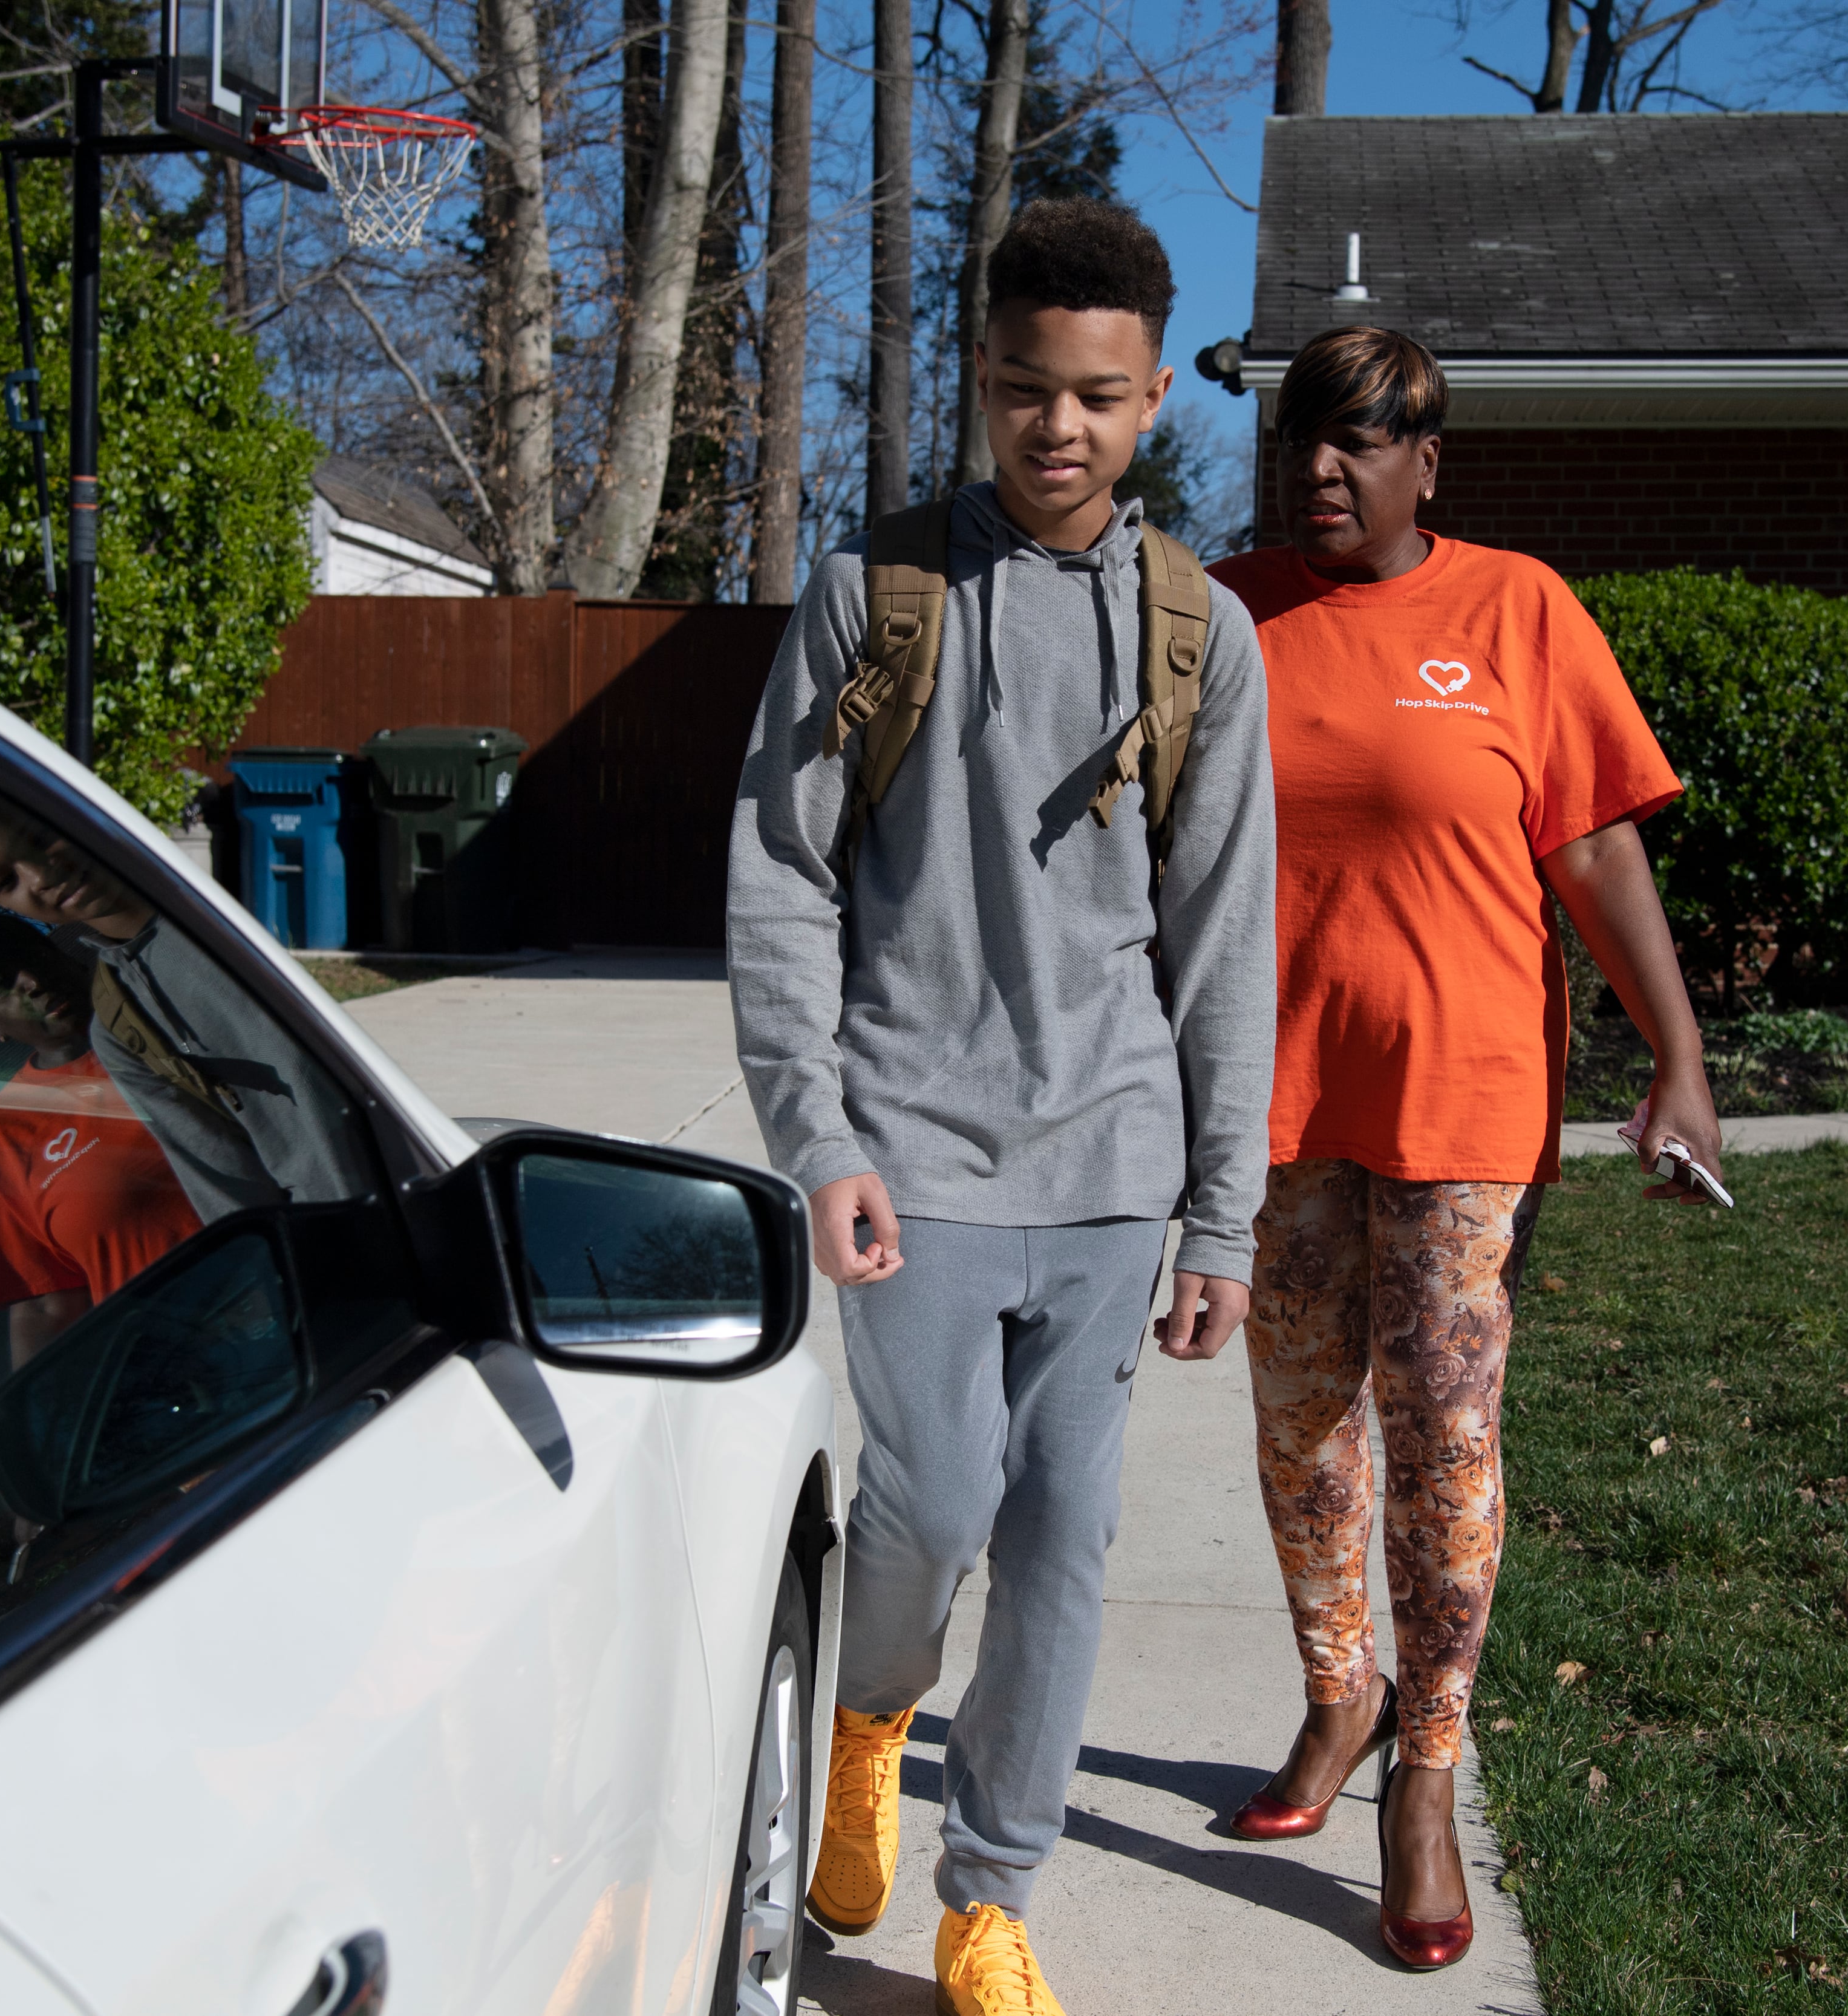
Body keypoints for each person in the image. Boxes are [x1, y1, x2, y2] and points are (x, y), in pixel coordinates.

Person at [728, 198, 1275, 2015]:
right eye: (1029, 391)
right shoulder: (873, 594)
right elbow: (782, 877)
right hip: (912, 1151)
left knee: (1061, 1528)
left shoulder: (1203, 634)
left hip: (1112, 1166)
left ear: (1146, 403)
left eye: (1101, 398)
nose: (1062, 428)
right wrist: (817, 1137)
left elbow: (1222, 938)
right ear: (983, 383)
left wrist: (1219, 1215)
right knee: (934, 1501)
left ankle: (990, 1893)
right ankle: (873, 1712)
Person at [1204, 325, 1725, 1972]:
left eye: (1359, 445)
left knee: (1442, 1438)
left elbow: (1596, 845)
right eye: (1304, 443)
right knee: (1301, 1432)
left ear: (1432, 460)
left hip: (1460, 1097)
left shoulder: (1518, 611)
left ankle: (1423, 1771)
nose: (1323, 474)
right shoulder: (1223, 615)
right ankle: (1335, 1689)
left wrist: (1681, 1057)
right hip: (1274, 1102)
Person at [0, 762, 370, 1219]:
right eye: (8, 880)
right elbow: (237, 1203)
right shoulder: (124, 1027)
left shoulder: (245, 898)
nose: (44, 876)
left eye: (39, 837)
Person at [0, 915, 203, 1365]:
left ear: (58, 955)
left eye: (30, 961)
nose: (32, 983)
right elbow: (44, 1304)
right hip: (198, 1365)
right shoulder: (2, 1135)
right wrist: (42, 1423)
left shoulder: (174, 1011)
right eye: (2, 985)